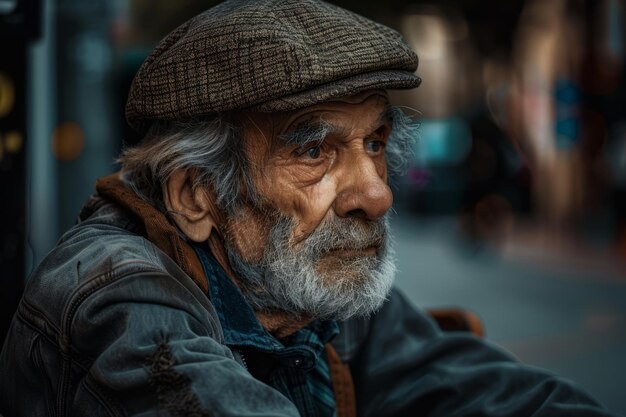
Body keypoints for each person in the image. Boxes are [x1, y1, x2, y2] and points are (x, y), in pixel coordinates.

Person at [0, 1, 621, 416]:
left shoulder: (313, 292)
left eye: (374, 143)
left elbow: (487, 390)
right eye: (313, 150)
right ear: (197, 195)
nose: (376, 193)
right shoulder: (113, 294)